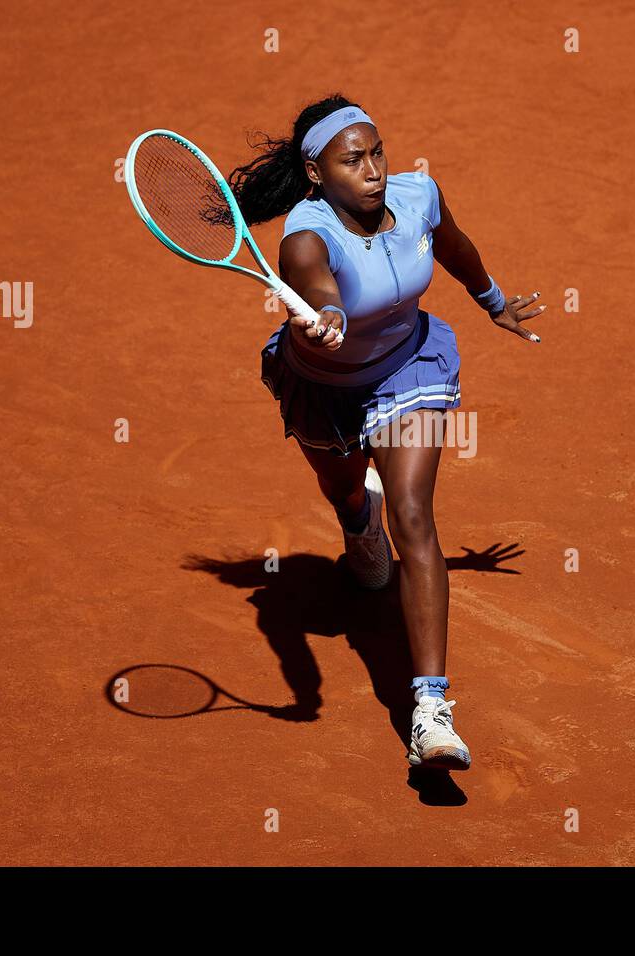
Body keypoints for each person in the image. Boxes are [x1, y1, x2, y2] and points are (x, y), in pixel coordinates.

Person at [228, 94, 546, 770]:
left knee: (415, 517)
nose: (372, 170)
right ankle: (356, 520)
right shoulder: (306, 237)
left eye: (376, 153)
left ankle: (431, 712)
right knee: (348, 496)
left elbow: (455, 248)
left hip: (409, 368)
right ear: (316, 173)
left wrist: (494, 303)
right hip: (325, 389)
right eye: (353, 160)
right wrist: (328, 318)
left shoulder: (418, 195)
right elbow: (319, 288)